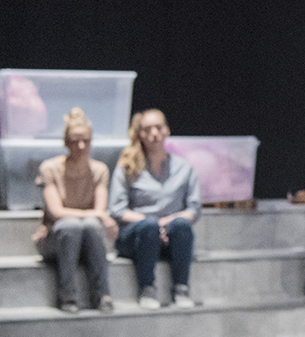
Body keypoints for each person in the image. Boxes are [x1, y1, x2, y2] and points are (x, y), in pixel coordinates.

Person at [109, 109, 201, 309]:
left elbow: (194, 209)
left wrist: (167, 222)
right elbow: (117, 209)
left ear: (167, 130)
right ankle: (147, 289)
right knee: (149, 226)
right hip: (138, 234)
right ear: (140, 134)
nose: (154, 134)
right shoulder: (128, 167)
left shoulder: (184, 168)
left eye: (158, 128)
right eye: (147, 129)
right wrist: (152, 222)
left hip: (171, 234)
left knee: (182, 226)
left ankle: (181, 288)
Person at [33, 108, 116, 313]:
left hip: (87, 238)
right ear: (66, 142)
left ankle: (102, 295)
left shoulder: (99, 170)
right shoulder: (50, 168)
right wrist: (97, 215)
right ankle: (67, 295)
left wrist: (97, 215)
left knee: (89, 226)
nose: (80, 146)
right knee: (71, 225)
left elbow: (99, 209)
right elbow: (57, 211)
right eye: (75, 141)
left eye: (86, 141)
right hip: (56, 238)